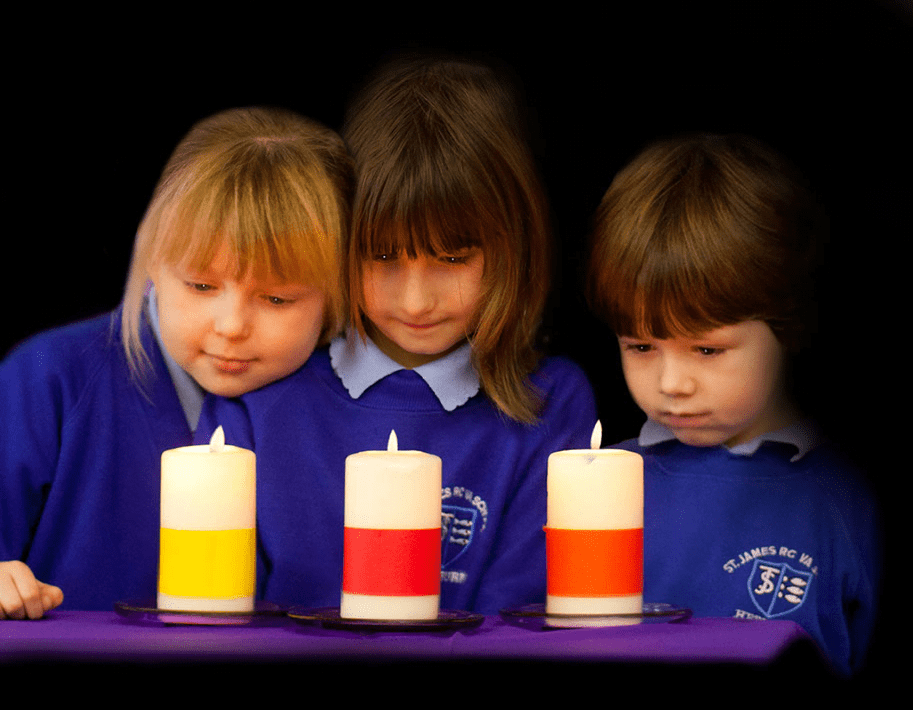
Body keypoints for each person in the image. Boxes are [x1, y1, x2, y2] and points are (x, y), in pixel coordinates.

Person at [247, 55, 598, 614]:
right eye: (382, 257)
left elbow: (517, 621)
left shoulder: (552, 403)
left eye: (452, 258)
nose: (415, 300)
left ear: (513, 245)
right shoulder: (264, 389)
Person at [0, 106, 352, 618]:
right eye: (201, 285)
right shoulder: (45, 380)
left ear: (335, 301)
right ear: (153, 265)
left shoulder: (361, 408)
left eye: (278, 299)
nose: (231, 325)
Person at [586, 133, 880, 676]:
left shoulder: (849, 496)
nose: (672, 383)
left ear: (790, 327)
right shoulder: (590, 485)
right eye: (641, 346)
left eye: (706, 348)